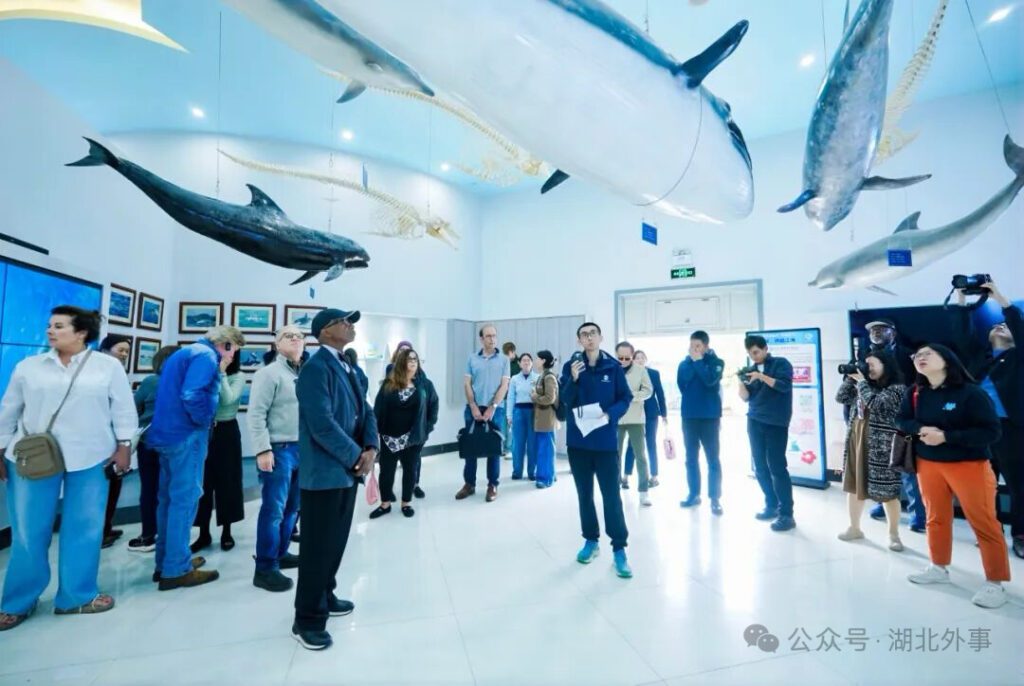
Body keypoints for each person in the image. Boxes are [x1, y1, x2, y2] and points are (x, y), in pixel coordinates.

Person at [0, 306, 136, 631]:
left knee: (85, 528)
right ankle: (17, 601)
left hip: (91, 457)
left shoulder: (107, 367)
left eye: (59, 326)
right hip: (34, 456)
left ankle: (76, 595)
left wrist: (124, 446)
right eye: (49, 325)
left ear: (81, 333)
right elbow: (9, 408)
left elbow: (122, 408)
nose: (50, 331)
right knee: (29, 532)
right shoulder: (29, 367)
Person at [898, 344, 1010, 609]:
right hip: (928, 464)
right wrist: (921, 428)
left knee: (983, 522)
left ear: (947, 360)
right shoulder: (915, 393)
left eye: (928, 354)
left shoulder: (971, 394)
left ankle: (995, 582)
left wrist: (947, 437)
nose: (920, 358)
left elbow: (991, 432)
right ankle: (938, 566)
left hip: (968, 465)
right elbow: (902, 421)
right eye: (917, 356)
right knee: (936, 518)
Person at [293, 308, 378, 650]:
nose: (350, 326)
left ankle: (326, 594)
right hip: (325, 473)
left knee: (336, 542)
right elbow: (322, 424)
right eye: (344, 321)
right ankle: (308, 620)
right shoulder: (315, 369)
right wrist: (357, 455)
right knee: (316, 548)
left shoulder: (349, 366)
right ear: (325, 331)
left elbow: (367, 410)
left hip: (347, 472)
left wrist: (371, 446)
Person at [147, 325, 245, 590]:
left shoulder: (185, 352)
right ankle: (177, 569)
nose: (234, 355)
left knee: (168, 501)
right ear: (225, 344)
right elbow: (192, 395)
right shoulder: (205, 357)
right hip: (186, 435)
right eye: (234, 349)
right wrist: (205, 421)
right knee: (185, 501)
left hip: (167, 435)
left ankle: (166, 562)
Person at [954, 280, 1023, 559]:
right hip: (978, 430)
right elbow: (961, 335)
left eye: (1004, 327)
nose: (999, 327)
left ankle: (1020, 534)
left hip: (1011, 429)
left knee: (1019, 484)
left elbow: (1017, 326)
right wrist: (960, 298)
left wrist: (999, 298)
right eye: (995, 326)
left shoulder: (1019, 357)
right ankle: (988, 533)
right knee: (982, 486)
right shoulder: (979, 358)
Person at [560, 322, 634, 578]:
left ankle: (619, 549)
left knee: (611, 497)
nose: (589, 338)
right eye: (584, 334)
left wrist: (609, 414)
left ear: (600, 337)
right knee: (584, 495)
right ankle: (591, 541)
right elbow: (564, 400)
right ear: (579, 339)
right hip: (578, 444)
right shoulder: (571, 367)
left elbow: (625, 398)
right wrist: (573, 378)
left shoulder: (612, 367)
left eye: (593, 334)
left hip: (604, 444)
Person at [248, 325, 305, 593]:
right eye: (288, 336)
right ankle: (265, 567)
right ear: (276, 344)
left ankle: (281, 553)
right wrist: (262, 449)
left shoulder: (303, 374)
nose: (295, 339)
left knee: (293, 508)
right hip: (278, 449)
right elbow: (256, 414)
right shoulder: (268, 374)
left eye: (300, 336)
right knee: (273, 510)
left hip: (302, 450)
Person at [835, 351, 908, 551]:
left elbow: (878, 405)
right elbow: (841, 397)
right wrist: (851, 379)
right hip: (856, 438)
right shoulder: (863, 385)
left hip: (882, 446)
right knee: (853, 486)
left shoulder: (897, 389)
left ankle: (894, 535)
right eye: (865, 365)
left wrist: (861, 383)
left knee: (888, 492)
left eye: (872, 364)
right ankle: (854, 527)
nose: (868, 369)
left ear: (886, 365)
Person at [858, 318, 926, 530]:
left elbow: (920, 382)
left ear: (893, 333)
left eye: (881, 329)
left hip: (903, 417)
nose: (876, 333)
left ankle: (918, 515)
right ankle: (883, 502)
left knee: (906, 463)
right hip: (876, 417)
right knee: (881, 464)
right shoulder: (864, 355)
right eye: (873, 330)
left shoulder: (908, 354)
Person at [370, 348, 438, 519]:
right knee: (386, 471)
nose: (413, 362)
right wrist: (373, 432)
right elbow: (377, 409)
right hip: (388, 437)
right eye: (409, 359)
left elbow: (433, 408)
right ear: (401, 363)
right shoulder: (389, 383)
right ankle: (385, 504)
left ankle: (406, 503)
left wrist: (426, 430)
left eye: (415, 359)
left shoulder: (425, 385)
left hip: (413, 439)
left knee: (410, 471)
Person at [738, 335, 796, 532]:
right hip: (754, 420)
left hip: (776, 422)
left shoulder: (781, 364)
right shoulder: (750, 370)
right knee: (760, 467)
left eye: (755, 352)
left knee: (777, 467)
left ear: (764, 349)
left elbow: (784, 386)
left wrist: (761, 376)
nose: (753, 356)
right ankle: (771, 505)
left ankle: (787, 514)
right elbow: (746, 398)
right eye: (749, 353)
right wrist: (741, 382)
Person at [192, 347, 246, 553]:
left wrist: (221, 373)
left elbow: (228, 399)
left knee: (228, 481)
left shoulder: (238, 376)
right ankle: (203, 533)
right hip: (203, 431)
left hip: (226, 431)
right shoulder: (203, 373)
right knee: (202, 482)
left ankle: (226, 531)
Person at [128, 345, 179, 553]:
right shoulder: (183, 383)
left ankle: (148, 534)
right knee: (172, 491)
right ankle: (170, 538)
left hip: (149, 443)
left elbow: (135, 408)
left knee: (149, 489)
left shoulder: (150, 382)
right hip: (176, 444)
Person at [456, 324, 510, 502]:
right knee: (471, 448)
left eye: (494, 336)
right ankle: (469, 484)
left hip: (497, 410)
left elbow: (504, 385)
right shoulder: (472, 359)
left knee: (493, 449)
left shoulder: (503, 360)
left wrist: (493, 406)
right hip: (473, 408)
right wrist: (472, 405)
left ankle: (492, 485)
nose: (492, 339)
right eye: (488, 336)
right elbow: (467, 384)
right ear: (481, 339)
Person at [677, 331, 726, 514]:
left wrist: (698, 362)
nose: (694, 349)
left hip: (709, 418)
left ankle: (715, 498)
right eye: (692, 346)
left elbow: (710, 381)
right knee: (690, 458)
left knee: (712, 459)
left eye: (698, 346)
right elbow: (683, 385)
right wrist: (693, 362)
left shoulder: (717, 363)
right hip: (689, 417)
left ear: (706, 346)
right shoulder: (684, 364)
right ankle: (693, 494)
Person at [98, 333, 132, 549]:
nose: (124, 355)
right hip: (101, 443)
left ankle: (106, 527)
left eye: (127, 351)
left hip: (115, 442)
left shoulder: (117, 373)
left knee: (114, 486)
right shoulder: (98, 374)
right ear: (105, 349)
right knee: (102, 490)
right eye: (120, 350)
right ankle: (99, 532)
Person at [615, 342, 653, 506]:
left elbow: (648, 391)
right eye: (620, 357)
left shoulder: (640, 370)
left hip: (636, 419)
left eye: (627, 358)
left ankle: (644, 491)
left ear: (632, 356)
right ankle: (613, 489)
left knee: (640, 456)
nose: (623, 360)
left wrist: (632, 396)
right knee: (613, 455)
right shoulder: (611, 370)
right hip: (616, 418)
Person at [624, 350, 667, 489]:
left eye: (643, 358)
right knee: (632, 445)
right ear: (633, 360)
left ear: (646, 359)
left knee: (651, 444)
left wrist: (664, 414)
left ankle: (654, 476)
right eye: (637, 358)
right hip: (634, 413)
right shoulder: (628, 373)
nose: (640, 360)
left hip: (651, 414)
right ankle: (625, 477)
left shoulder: (654, 374)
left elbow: (660, 394)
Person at [507, 352, 539, 480]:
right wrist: (509, 415)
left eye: (528, 360)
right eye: (523, 360)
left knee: (532, 443)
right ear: (519, 363)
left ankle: (532, 472)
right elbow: (510, 398)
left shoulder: (537, 378)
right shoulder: (514, 379)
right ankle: (517, 471)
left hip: (533, 411)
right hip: (518, 411)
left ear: (532, 363)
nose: (526, 362)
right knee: (517, 444)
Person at [531, 350, 559, 488]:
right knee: (545, 448)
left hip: (547, 419)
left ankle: (545, 478)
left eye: (537, 359)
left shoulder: (549, 377)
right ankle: (550, 475)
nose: (535, 361)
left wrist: (534, 396)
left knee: (545, 449)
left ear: (543, 361)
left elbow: (550, 398)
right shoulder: (542, 376)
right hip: (541, 419)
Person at [502, 341, 519, 457]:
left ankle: (509, 449)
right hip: (502, 398)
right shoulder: (503, 363)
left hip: (513, 399)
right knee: (502, 424)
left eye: (508, 354)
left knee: (510, 425)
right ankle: (502, 448)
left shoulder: (519, 365)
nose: (506, 357)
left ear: (513, 352)